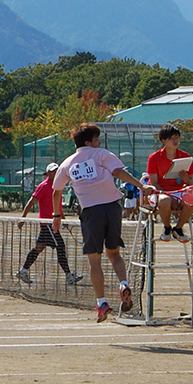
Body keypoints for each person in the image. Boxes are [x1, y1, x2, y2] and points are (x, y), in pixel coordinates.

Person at [54, 123, 148, 323]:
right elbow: (119, 172)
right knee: (114, 253)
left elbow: (57, 191)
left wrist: (56, 215)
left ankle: (102, 302)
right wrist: (141, 186)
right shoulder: (101, 154)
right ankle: (123, 284)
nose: (99, 143)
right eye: (97, 139)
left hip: (91, 212)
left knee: (94, 260)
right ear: (89, 142)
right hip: (112, 208)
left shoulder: (67, 163)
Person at [16, 162, 82, 286]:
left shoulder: (58, 186)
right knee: (60, 246)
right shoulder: (43, 186)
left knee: (39, 248)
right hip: (47, 224)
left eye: (57, 170)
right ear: (48, 173)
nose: (56, 172)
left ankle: (23, 271)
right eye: (53, 171)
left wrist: (64, 220)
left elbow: (57, 208)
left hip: (52, 224)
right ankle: (69, 276)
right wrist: (23, 218)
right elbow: (31, 201)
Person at [146, 125, 193, 242]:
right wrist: (169, 195)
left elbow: (191, 183)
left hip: (179, 192)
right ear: (163, 140)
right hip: (160, 192)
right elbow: (154, 183)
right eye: (171, 138)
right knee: (165, 200)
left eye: (177, 137)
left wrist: (187, 180)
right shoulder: (154, 157)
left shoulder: (186, 156)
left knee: (191, 201)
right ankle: (167, 228)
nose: (175, 141)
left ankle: (178, 229)